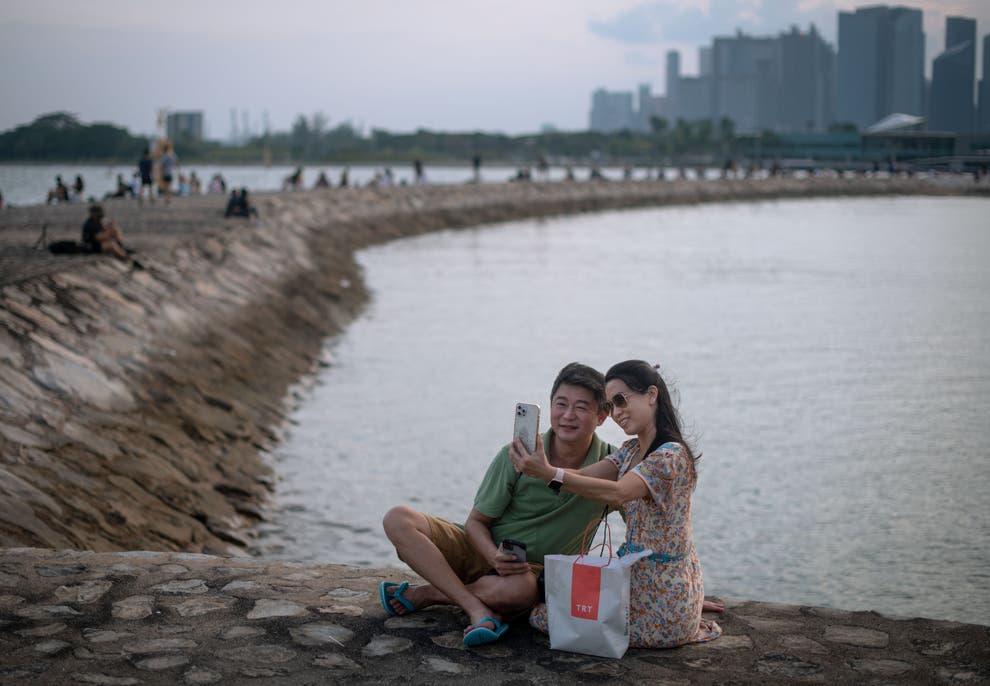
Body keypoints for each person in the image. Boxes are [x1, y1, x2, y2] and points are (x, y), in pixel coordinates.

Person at [381, 363, 616, 647]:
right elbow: (476, 522)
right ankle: (475, 607)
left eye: (581, 407)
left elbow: (641, 506)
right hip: (482, 551)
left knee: (520, 590)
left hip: (528, 575)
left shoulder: (613, 466)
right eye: (561, 404)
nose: (568, 415)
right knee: (398, 519)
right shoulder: (517, 453)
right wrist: (493, 557)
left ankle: (428, 594)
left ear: (602, 416)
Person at [510, 360, 723, 649]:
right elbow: (583, 477)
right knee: (551, 606)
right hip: (636, 583)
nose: (617, 413)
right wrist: (542, 469)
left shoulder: (670, 457)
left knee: (541, 615)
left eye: (621, 400)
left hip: (662, 596)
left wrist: (550, 474)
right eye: (610, 406)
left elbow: (618, 493)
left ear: (651, 394)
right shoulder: (632, 450)